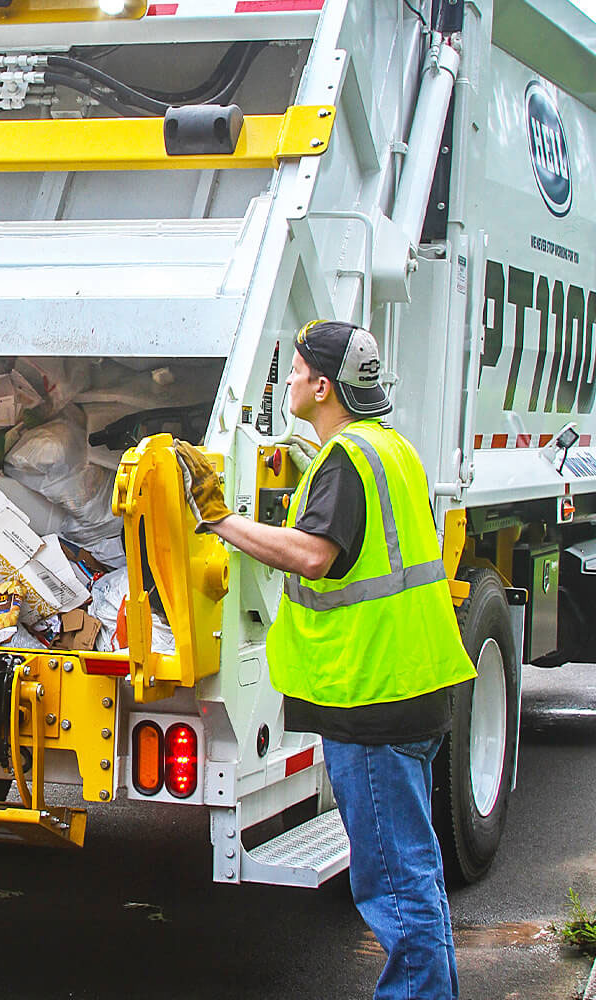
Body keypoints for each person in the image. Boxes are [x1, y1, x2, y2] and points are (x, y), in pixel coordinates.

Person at [175, 320, 476, 1000]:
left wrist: (217, 519)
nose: (288, 380)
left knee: (396, 885)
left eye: (299, 368)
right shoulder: (387, 449)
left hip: (373, 702)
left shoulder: (346, 459)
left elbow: (315, 554)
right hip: (413, 685)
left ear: (322, 385)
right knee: (415, 874)